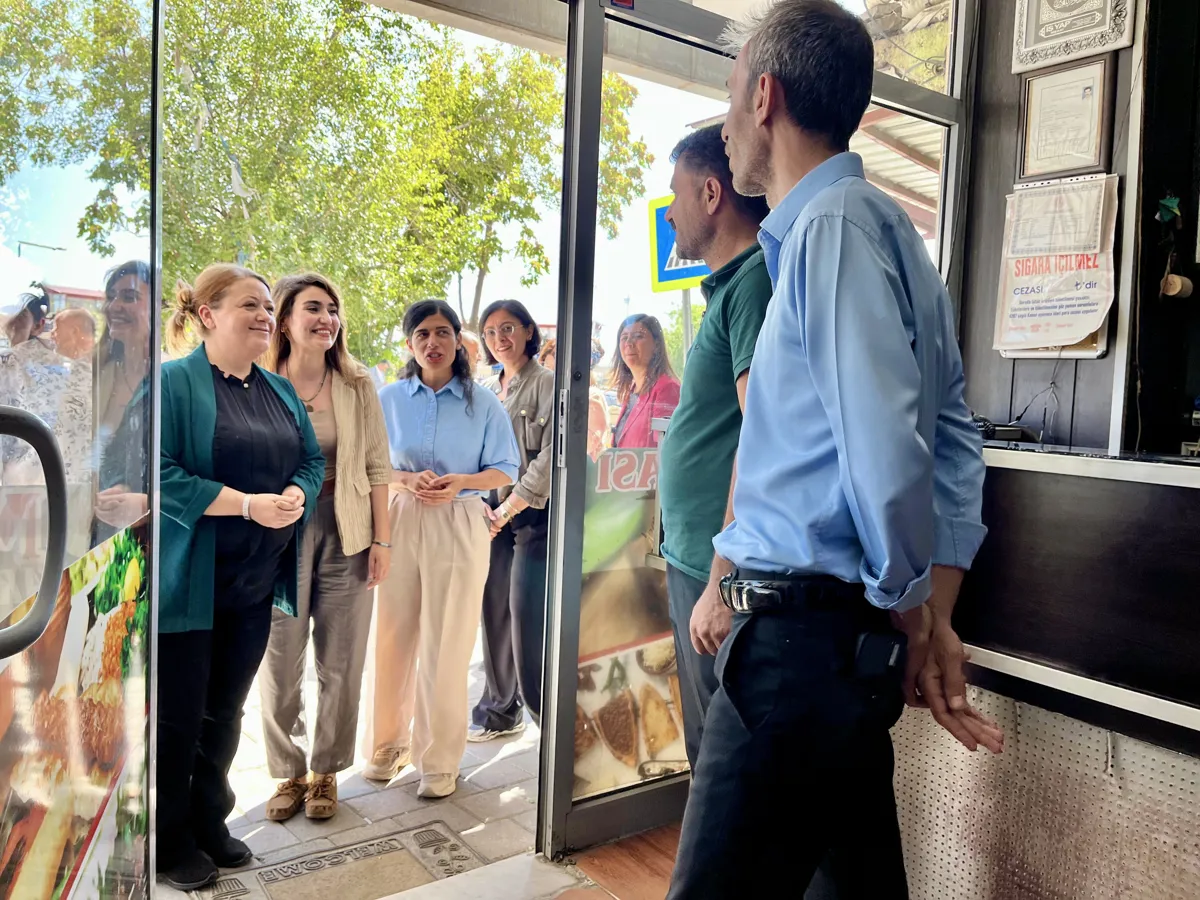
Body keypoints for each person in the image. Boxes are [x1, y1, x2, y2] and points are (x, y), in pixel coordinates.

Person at [666, 3, 1005, 898]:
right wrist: (930, 610)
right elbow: (954, 442)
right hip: (835, 654)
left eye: (731, 98)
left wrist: (912, 610)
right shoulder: (883, 232)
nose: (727, 125)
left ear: (764, 97)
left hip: (797, 653)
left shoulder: (830, 230)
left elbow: (888, 454)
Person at [156, 264, 324, 891]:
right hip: (191, 584)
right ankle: (168, 841)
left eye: (267, 307)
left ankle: (209, 820)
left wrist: (295, 492)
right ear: (207, 314)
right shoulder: (172, 383)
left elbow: (311, 460)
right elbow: (157, 472)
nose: (264, 316)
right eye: (249, 304)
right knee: (179, 719)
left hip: (254, 584)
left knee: (224, 714)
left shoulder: (278, 389)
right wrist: (246, 505)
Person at [365, 300, 519, 799]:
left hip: (460, 517)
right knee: (393, 634)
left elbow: (506, 469)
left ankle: (438, 760)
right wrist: (406, 478)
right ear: (409, 344)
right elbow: (370, 465)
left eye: (442, 332)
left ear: (457, 340)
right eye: (422, 334)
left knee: (448, 641)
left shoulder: (484, 403)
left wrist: (461, 482)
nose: (432, 343)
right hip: (400, 516)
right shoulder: (388, 399)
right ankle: (388, 745)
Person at [257, 273, 392, 823]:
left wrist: (382, 539)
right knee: (279, 658)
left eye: (333, 309)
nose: (326, 318)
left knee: (342, 659)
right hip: (278, 533)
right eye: (313, 307)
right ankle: (287, 770)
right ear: (285, 319)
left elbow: (378, 466)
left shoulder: (357, 384)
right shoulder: (258, 381)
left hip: (348, 527)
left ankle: (326, 771)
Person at [657, 123, 770, 768]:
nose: (670, 213)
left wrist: (723, 578)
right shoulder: (729, 287)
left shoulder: (753, 283)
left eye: (675, 195)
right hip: (696, 556)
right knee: (705, 741)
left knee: (721, 755)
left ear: (709, 193)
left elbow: (762, 431)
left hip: (717, 567)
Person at [468, 300, 554, 742]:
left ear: (527, 331)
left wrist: (508, 508)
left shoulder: (547, 383)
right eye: (490, 331)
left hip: (530, 517)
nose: (499, 338)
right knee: (494, 613)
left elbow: (550, 457)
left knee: (525, 619)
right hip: (490, 515)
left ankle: (547, 725)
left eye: (507, 328)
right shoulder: (486, 388)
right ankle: (500, 711)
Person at [609, 314, 680, 449]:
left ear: (656, 345)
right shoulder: (632, 392)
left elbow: (667, 450)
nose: (629, 343)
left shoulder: (667, 388)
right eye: (624, 337)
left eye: (638, 336)